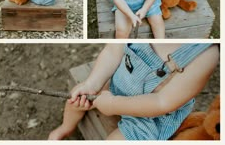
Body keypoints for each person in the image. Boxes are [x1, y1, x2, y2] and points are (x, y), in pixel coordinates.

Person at [48, 43, 219, 141]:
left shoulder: (205, 54)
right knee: (77, 95)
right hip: (121, 85)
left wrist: (113, 105)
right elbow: (112, 51)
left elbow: (163, 102)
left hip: (151, 116)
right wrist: (92, 84)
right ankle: (64, 129)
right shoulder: (136, 15)